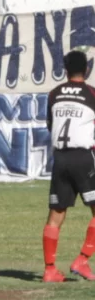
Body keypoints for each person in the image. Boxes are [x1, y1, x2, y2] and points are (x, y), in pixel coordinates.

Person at [42, 49, 95, 283]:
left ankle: (49, 269)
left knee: (56, 214)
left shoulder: (54, 93)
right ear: (86, 69)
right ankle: (82, 260)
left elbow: (50, 125)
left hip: (60, 159)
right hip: (83, 157)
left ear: (65, 69)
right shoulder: (92, 93)